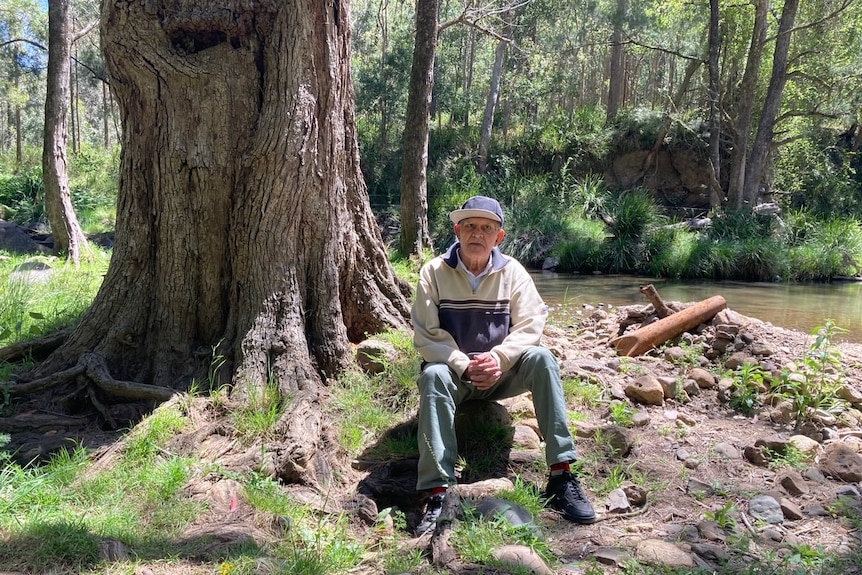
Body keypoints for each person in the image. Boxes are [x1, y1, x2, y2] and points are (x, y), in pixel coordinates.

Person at [410, 195, 596, 535]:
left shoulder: (514, 272)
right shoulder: (433, 273)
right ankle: (439, 493)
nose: (477, 234)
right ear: (457, 231)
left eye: (486, 228)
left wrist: (498, 359)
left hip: (503, 373)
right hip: (454, 375)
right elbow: (426, 335)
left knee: (542, 358)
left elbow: (530, 326)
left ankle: (562, 476)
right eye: (469, 227)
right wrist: (464, 365)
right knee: (433, 374)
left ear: (499, 236)